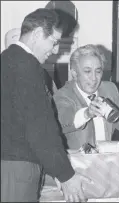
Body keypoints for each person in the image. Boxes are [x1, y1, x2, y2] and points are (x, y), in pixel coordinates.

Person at [1, 8, 90, 202]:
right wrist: (65, 175)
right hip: (19, 167)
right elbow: (39, 128)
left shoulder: (6, 60)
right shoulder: (28, 66)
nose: (56, 50)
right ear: (37, 34)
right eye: (54, 42)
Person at [53, 44, 119, 150]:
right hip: (77, 163)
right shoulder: (63, 95)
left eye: (98, 71)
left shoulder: (109, 89)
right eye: (87, 71)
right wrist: (86, 114)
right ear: (75, 74)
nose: (94, 78)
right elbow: (63, 121)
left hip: (106, 160)